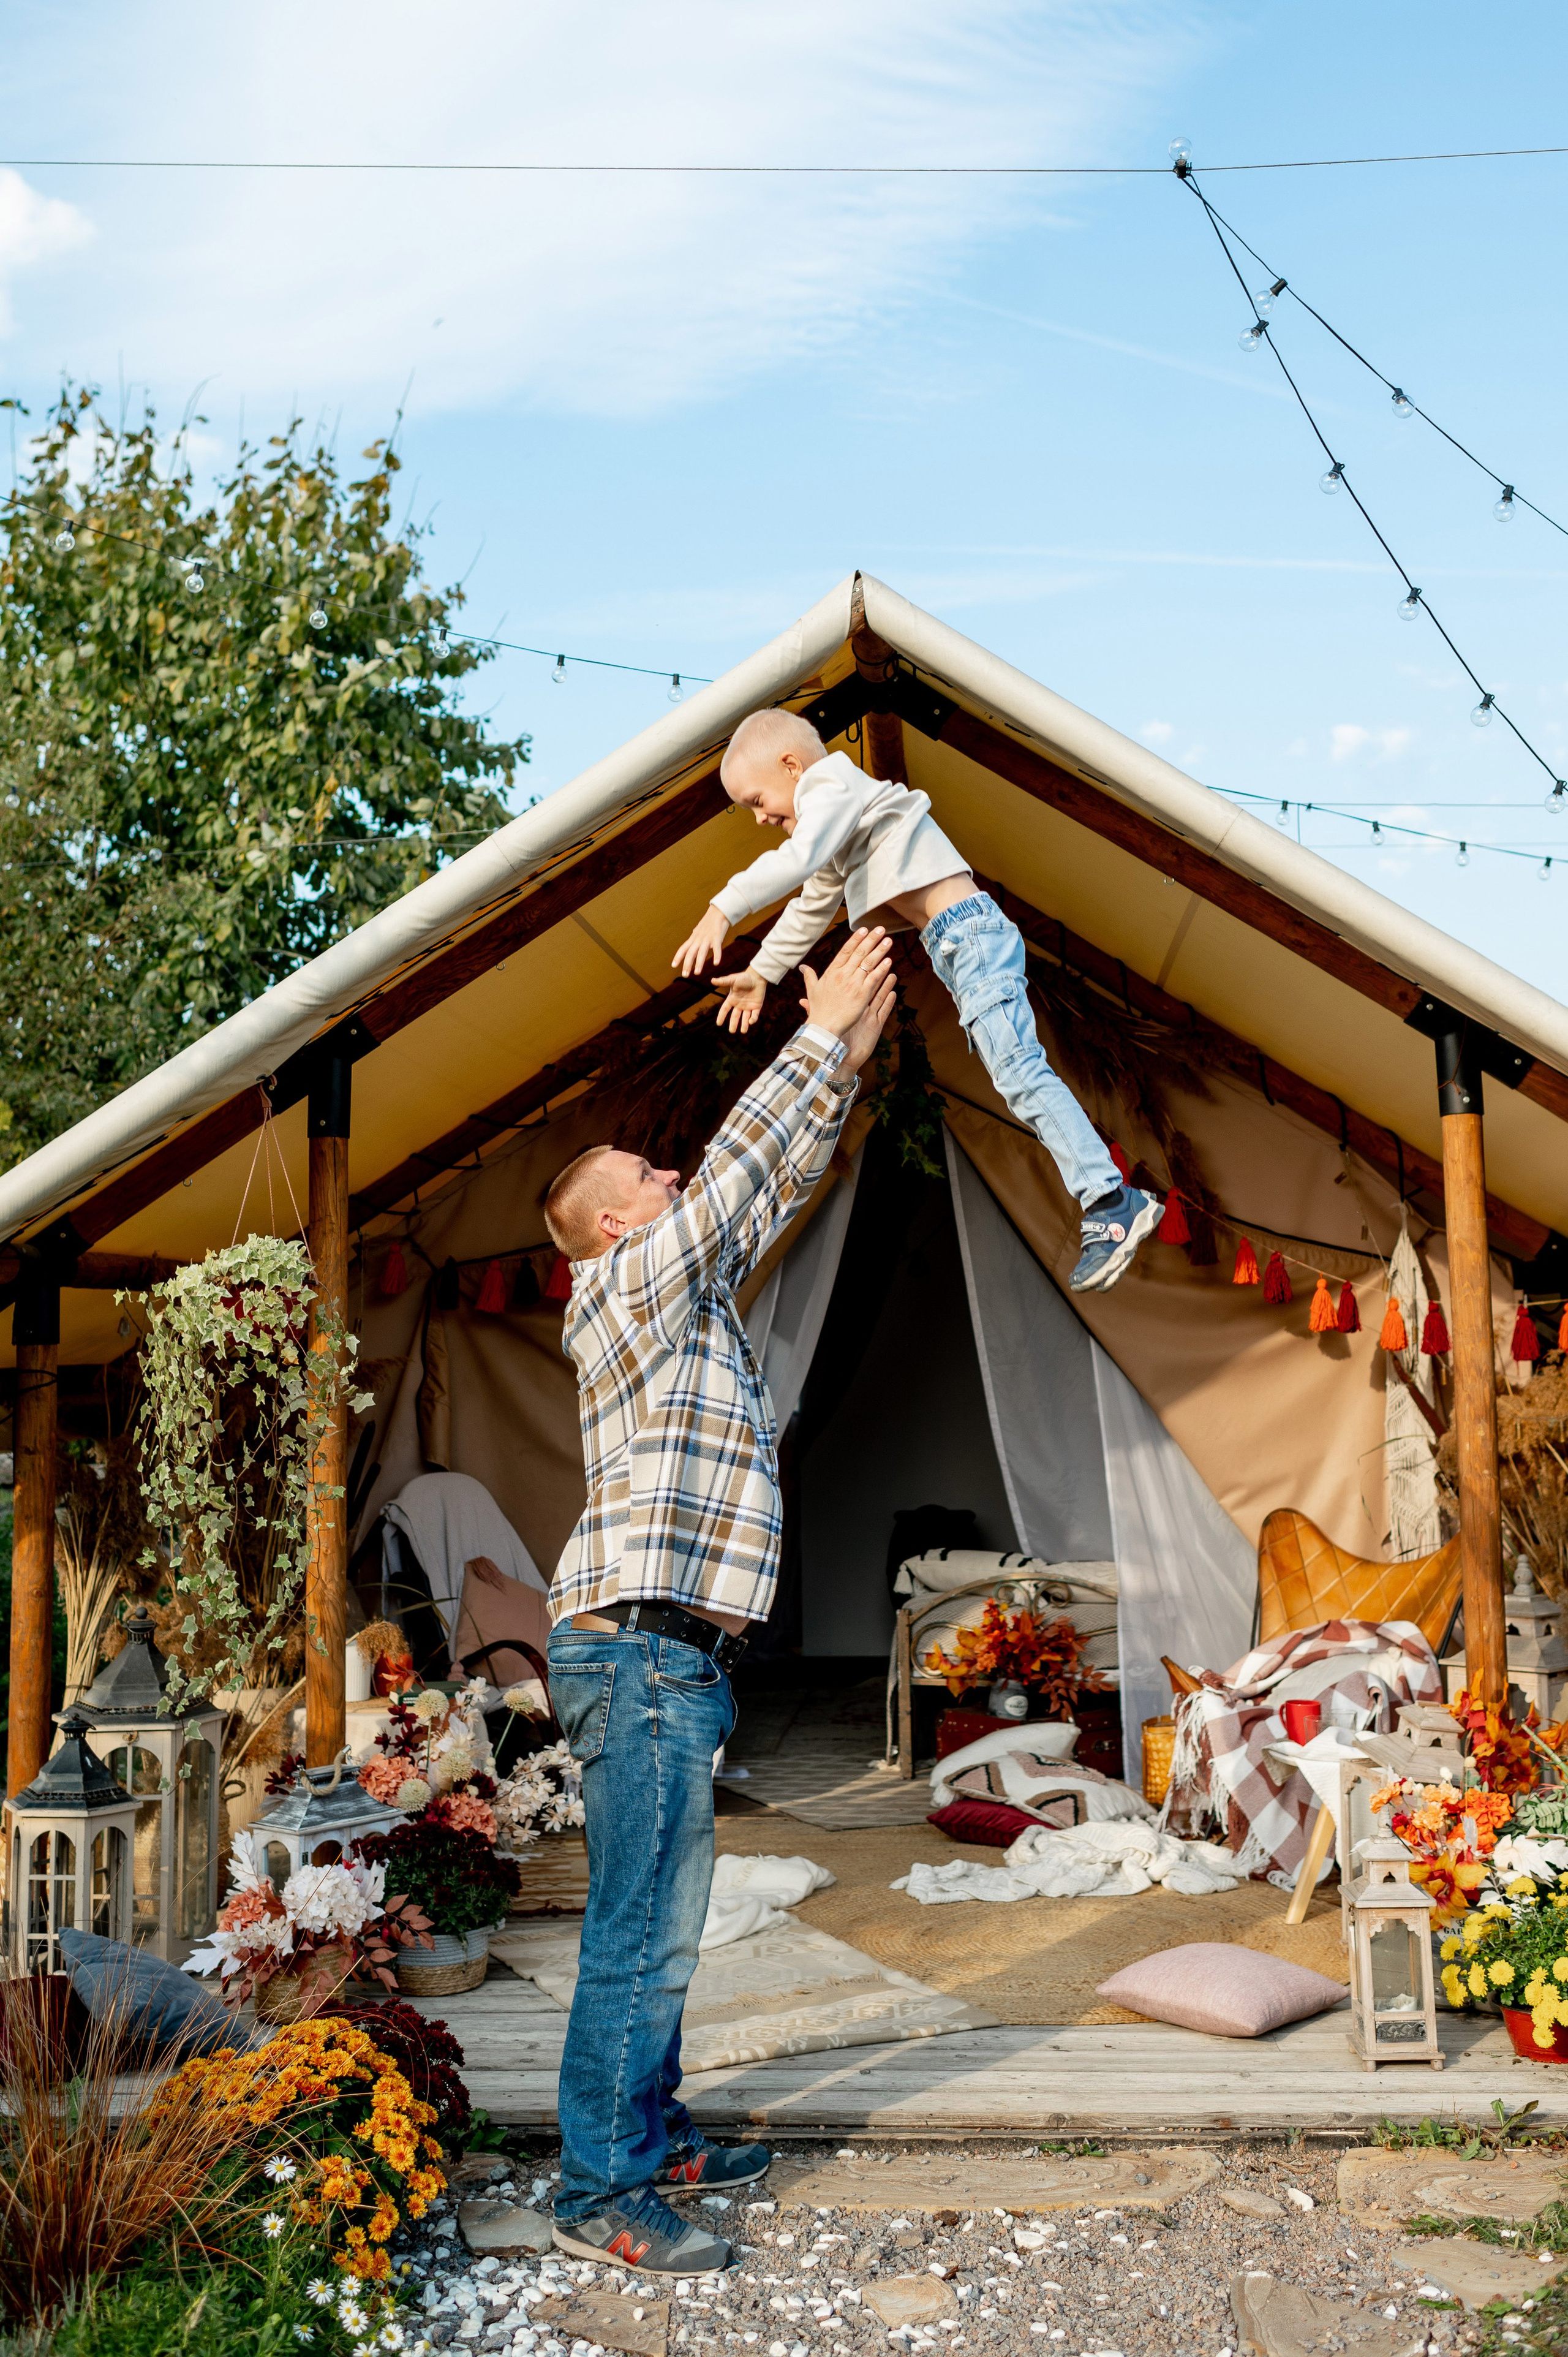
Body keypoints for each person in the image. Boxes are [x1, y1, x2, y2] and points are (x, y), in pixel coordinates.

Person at [541, 925, 896, 2276]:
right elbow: (738, 1175)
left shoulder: (682, 1294)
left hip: (667, 1655)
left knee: (663, 1920)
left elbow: (765, 1185)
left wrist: (848, 1051)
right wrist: (811, 1041)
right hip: (636, 1652)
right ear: (620, 1220)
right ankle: (599, 2195)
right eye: (649, 1173)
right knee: (640, 1923)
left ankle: (655, 2134)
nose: (670, 1173)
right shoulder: (622, 1282)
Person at [672, 707, 1163, 1293]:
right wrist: (761, 971)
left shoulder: (831, 784)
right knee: (1015, 1075)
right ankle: (1108, 1197)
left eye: (756, 799)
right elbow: (813, 900)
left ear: (791, 765)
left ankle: (1110, 1198)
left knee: (1020, 1072)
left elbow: (796, 860)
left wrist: (722, 908)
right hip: (955, 941)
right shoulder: (841, 823)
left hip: (967, 932)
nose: (758, 818)